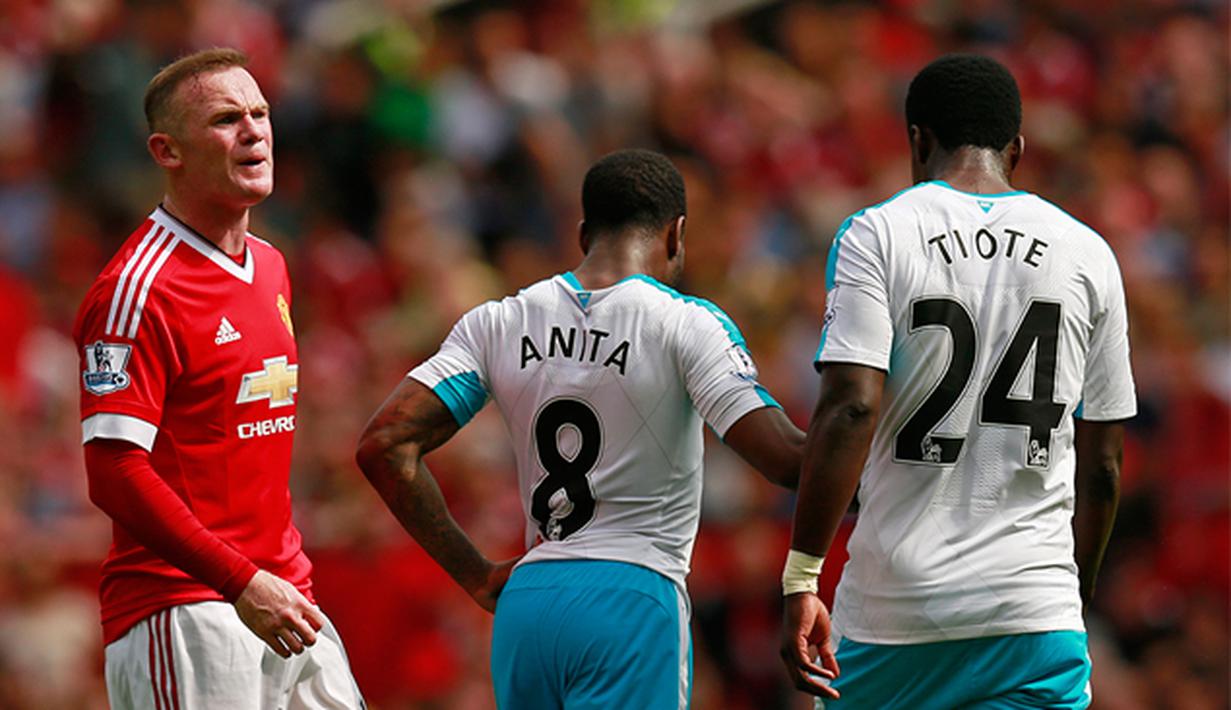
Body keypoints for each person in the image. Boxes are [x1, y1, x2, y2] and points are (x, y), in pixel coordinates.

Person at [356, 149, 813, 709]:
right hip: (632, 594)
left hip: (529, 602)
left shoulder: (500, 320)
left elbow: (385, 443)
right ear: (677, 234)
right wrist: (864, 417)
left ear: (582, 234)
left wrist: (474, 574)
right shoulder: (687, 323)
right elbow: (786, 460)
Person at [779, 54, 1136, 709]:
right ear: (1016, 149)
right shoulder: (1089, 253)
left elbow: (851, 408)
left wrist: (802, 575)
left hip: (895, 614)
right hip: (1034, 613)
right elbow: (1104, 465)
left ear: (917, 140)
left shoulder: (877, 234)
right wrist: (1067, 594)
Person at [74, 48, 364, 709]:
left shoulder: (271, 266)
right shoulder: (136, 290)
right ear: (167, 151)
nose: (254, 131)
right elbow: (113, 471)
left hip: (286, 595)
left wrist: (264, 581)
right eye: (226, 119)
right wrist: (239, 581)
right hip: (184, 607)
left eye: (260, 113)